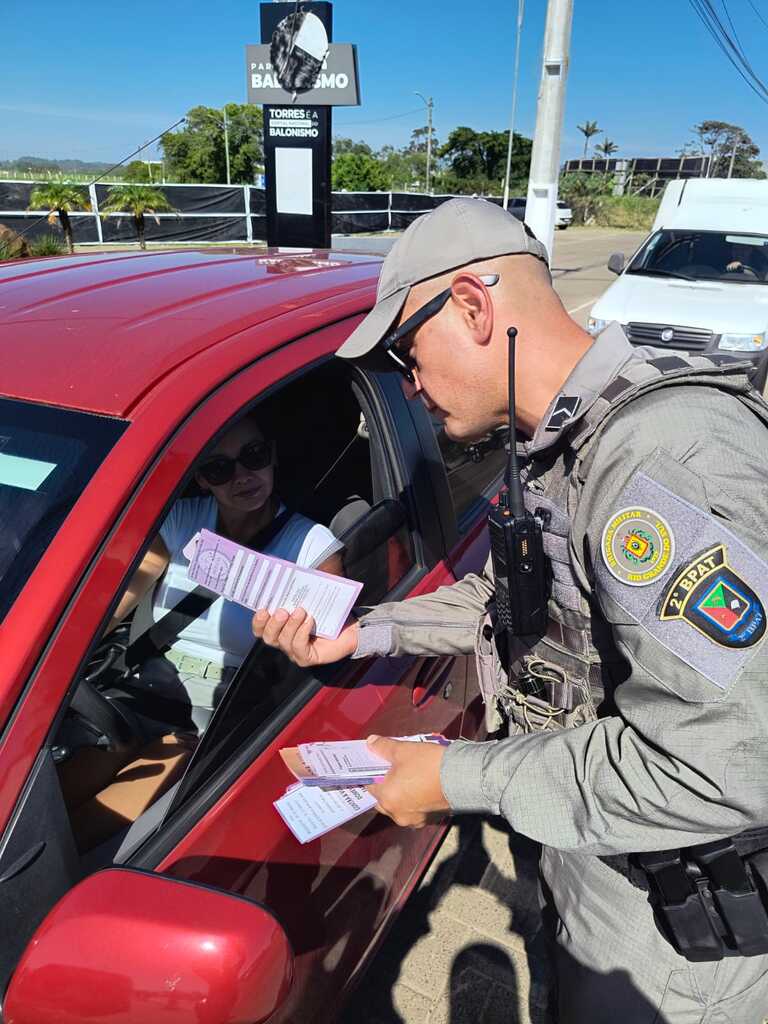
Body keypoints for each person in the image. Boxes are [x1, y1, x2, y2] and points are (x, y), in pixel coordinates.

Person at [253, 197, 768, 1021]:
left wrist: (452, 778)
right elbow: (511, 597)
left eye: (405, 353)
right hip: (592, 847)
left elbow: (724, 764)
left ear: (472, 306)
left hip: (669, 923)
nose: (409, 386)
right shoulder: (552, 444)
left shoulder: (662, 461)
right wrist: (366, 630)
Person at [112, 411, 343, 726]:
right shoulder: (179, 520)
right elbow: (116, 599)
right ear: (202, 478)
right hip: (151, 682)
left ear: (272, 455)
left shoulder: (313, 544)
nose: (243, 475)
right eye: (220, 468)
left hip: (233, 708)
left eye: (254, 455)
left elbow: (326, 649)